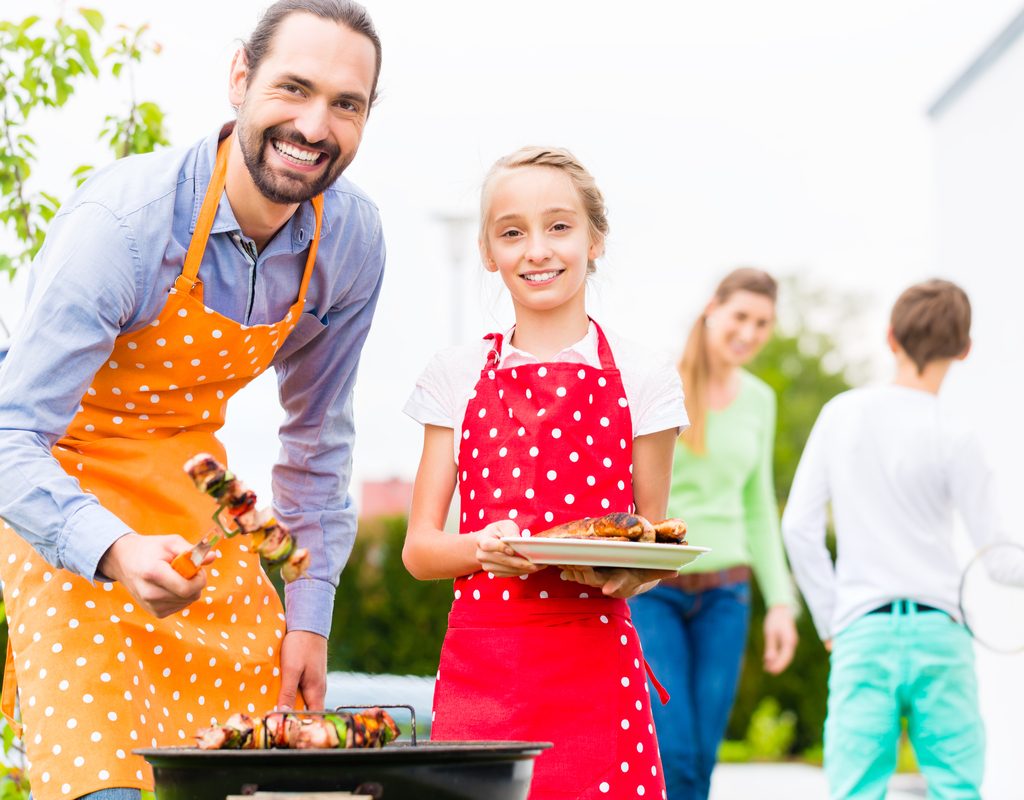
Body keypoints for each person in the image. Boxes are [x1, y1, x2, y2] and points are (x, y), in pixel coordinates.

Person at [0, 1, 384, 797]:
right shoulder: (126, 225)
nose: (315, 126)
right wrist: (113, 549)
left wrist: (308, 618)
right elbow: (8, 436)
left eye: (345, 104)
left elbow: (316, 448)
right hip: (57, 486)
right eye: (293, 88)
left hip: (190, 490)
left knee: (251, 769)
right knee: (100, 774)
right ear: (240, 77)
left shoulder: (350, 243)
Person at [402, 146, 689, 799]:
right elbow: (420, 549)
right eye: (512, 232)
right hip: (485, 674)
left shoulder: (645, 378)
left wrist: (625, 573)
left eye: (558, 226)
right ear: (486, 251)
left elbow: (654, 546)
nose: (537, 249)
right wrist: (481, 549)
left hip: (595, 667)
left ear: (596, 239)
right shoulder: (454, 374)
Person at [782, 279, 995, 799]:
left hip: (863, 631)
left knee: (855, 790)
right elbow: (998, 553)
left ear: (890, 337)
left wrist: (833, 617)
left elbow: (798, 527)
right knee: (958, 788)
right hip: (941, 631)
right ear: (965, 349)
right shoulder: (958, 432)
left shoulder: (842, 414)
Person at [627, 268, 800, 800]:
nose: (749, 332)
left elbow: (758, 506)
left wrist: (781, 603)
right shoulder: (658, 382)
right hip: (656, 592)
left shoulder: (760, 399)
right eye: (741, 317)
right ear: (712, 309)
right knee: (673, 750)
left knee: (702, 754)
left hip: (728, 595)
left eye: (763, 323)